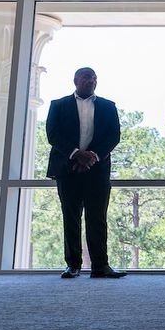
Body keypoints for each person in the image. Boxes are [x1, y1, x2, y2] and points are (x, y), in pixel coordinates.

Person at [45, 67, 125, 279]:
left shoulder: (108, 107)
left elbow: (114, 136)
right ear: (75, 80)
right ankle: (73, 266)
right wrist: (76, 154)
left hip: (97, 171)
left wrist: (92, 157)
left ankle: (100, 266)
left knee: (97, 218)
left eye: (94, 78)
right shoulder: (58, 105)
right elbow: (53, 135)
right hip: (67, 169)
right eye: (87, 77)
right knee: (71, 218)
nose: (91, 81)